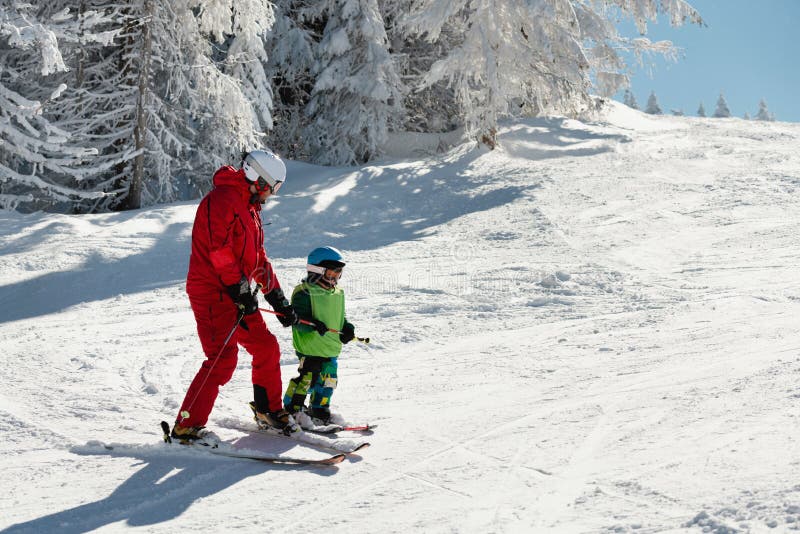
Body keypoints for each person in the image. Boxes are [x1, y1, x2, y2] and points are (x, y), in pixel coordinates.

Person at [172, 149, 299, 441]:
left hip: (235, 293)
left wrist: (276, 297)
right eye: (272, 188)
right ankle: (186, 426)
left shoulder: (250, 208)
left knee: (266, 347)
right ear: (258, 179)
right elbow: (218, 251)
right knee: (222, 359)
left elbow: (258, 258)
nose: (271, 195)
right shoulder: (221, 201)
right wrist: (240, 290)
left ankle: (268, 410)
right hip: (212, 293)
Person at [282, 246, 356, 426]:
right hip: (310, 347)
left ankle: (319, 409)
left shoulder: (338, 293)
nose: (335, 277)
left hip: (330, 348)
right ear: (316, 271)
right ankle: (292, 408)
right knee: (308, 380)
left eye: (338, 273)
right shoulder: (304, 292)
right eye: (331, 272)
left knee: (328, 381)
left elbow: (340, 317)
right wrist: (312, 324)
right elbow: (297, 320)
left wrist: (347, 328)